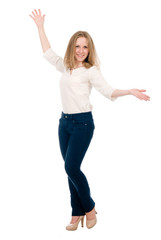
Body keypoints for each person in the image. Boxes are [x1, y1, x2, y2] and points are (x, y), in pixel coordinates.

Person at [29, 9, 150, 231]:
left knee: (72, 166)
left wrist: (130, 91)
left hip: (83, 124)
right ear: (72, 47)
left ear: (89, 49)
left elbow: (108, 90)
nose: (81, 50)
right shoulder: (64, 66)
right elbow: (47, 51)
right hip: (64, 124)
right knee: (69, 168)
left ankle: (90, 208)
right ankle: (76, 212)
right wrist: (40, 26)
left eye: (85, 47)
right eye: (77, 46)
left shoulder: (91, 70)